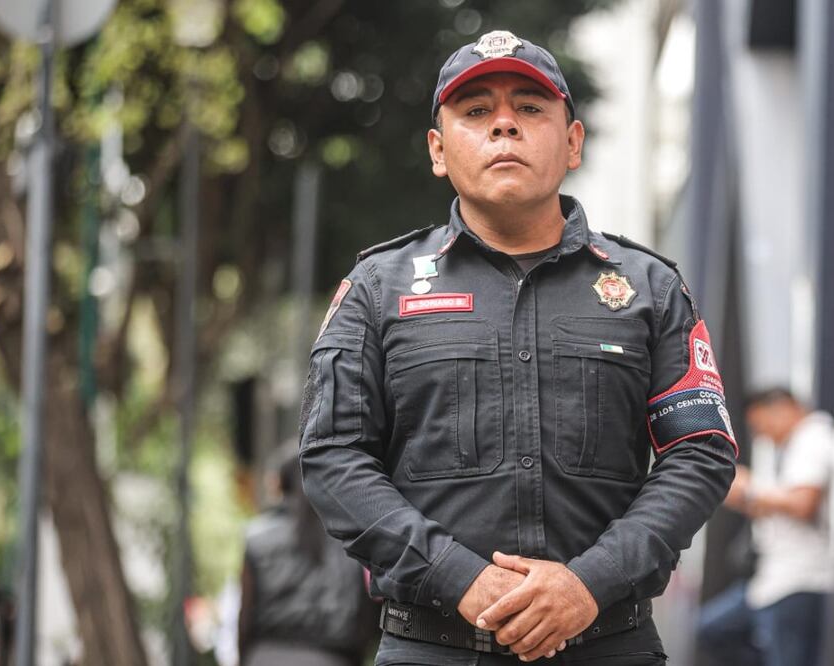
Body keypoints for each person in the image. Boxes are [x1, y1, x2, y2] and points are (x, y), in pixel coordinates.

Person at [299, 29, 737, 665]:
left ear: (573, 142)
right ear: (438, 150)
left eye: (530, 109)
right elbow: (333, 457)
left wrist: (591, 583)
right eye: (476, 112)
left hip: (609, 645)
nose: (504, 126)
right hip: (432, 648)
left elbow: (700, 451)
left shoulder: (650, 288)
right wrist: (459, 578)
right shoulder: (376, 289)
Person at [696, 388, 834, 666]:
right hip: (769, 580)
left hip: (798, 579)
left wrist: (750, 490)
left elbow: (802, 504)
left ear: (784, 409)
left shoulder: (814, 437)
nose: (763, 435)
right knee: (710, 630)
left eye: (764, 425)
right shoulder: (787, 448)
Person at [238, 445, 374, 666]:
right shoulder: (348, 539)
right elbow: (362, 615)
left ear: (280, 484)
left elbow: (245, 618)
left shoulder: (258, 538)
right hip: (332, 658)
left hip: (266, 657)